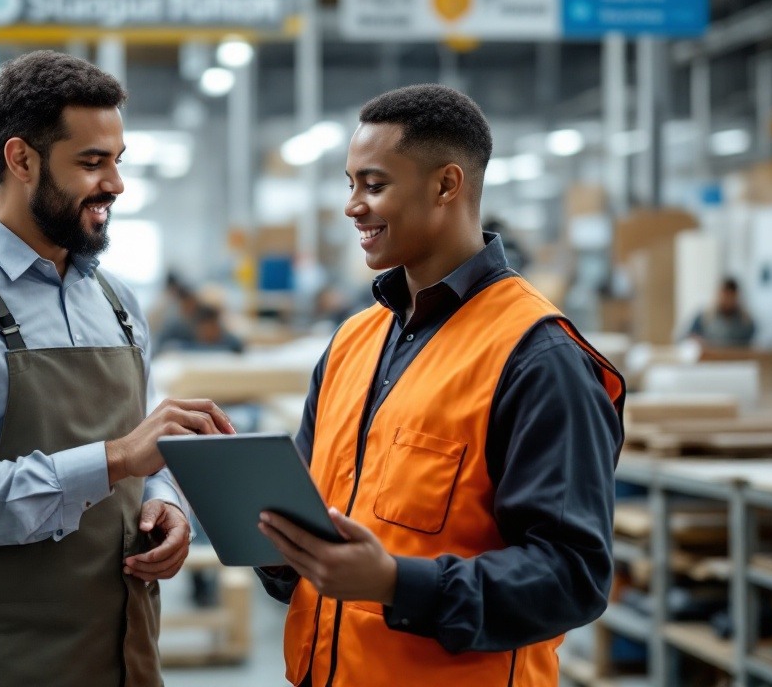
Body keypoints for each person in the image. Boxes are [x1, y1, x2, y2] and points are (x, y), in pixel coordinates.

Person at [0, 50, 235, 687]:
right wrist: (114, 460)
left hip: (125, 655)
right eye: (92, 162)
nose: (115, 183)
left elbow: (137, 452)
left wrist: (163, 502)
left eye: (118, 160)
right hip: (1, 660)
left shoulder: (116, 302)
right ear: (21, 160)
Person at [256, 84, 625, 686]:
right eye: (349, 184)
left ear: (446, 185)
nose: (353, 206)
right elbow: (311, 527)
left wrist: (396, 585)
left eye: (373, 185)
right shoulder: (353, 342)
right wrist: (273, 541)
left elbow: (572, 577)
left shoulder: (537, 356)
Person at [686, 277, 756, 347]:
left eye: (731, 295)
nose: (728, 299)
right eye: (725, 294)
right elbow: (687, 338)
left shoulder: (746, 322)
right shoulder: (704, 317)